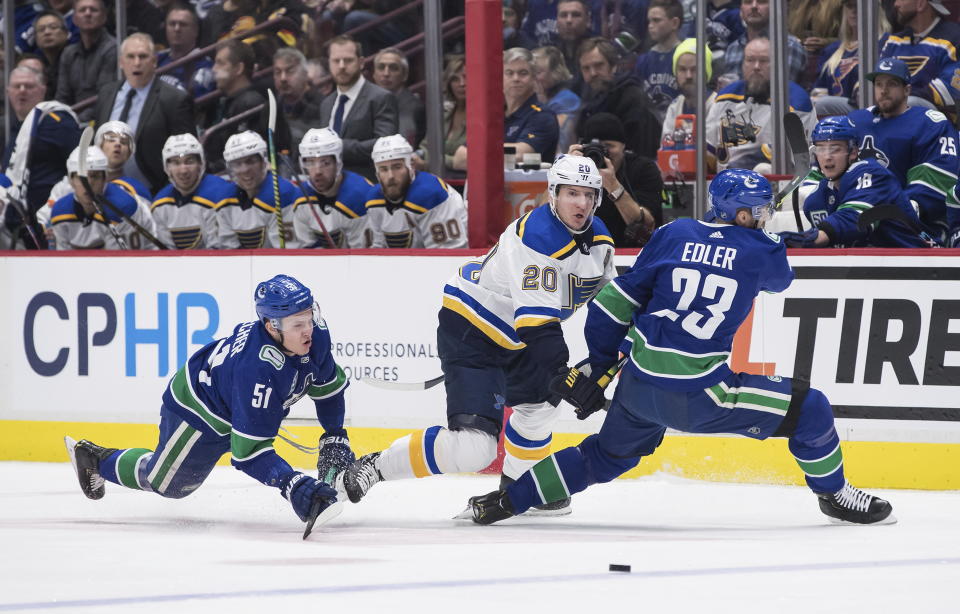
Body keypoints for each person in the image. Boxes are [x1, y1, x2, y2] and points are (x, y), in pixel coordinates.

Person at [464, 168, 896, 527]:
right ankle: (835, 495)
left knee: (602, 456)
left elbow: (611, 307)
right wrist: (777, 236)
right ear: (741, 215)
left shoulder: (674, 232)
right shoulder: (761, 250)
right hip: (701, 394)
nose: (764, 216)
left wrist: (599, 366)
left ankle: (505, 501)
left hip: (637, 387)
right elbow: (779, 281)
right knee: (812, 407)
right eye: (758, 211)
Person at [339, 155, 616, 515]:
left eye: (589, 195)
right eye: (571, 193)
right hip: (474, 329)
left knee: (540, 408)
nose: (581, 203)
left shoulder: (599, 239)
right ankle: (375, 466)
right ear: (553, 194)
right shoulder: (537, 236)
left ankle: (518, 487)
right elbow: (539, 328)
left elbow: (611, 302)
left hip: (518, 337)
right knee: (475, 448)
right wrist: (569, 377)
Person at [64, 275, 351, 533]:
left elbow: (326, 388)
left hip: (235, 402)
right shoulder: (256, 371)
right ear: (271, 326)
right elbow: (249, 454)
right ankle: (96, 459)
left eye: (309, 318)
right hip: (198, 410)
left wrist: (335, 434)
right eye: (297, 324)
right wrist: (291, 484)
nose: (308, 330)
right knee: (168, 484)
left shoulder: (315, 335)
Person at [848, 58, 960, 241]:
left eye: (892, 84)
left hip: (912, 225)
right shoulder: (855, 121)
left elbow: (939, 177)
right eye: (878, 84)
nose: (883, 91)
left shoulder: (929, 124)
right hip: (860, 217)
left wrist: (899, 207)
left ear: (907, 89)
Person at [780, 116, 931, 248]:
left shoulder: (873, 174)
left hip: (925, 265)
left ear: (853, 152)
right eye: (821, 149)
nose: (827, 157)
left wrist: (809, 239)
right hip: (873, 271)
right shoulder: (815, 202)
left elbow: (854, 220)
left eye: (835, 149)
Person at [93, 33, 196, 194]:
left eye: (143, 57)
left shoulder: (174, 99)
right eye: (130, 57)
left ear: (154, 61)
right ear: (121, 62)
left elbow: (188, 150)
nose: (136, 63)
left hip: (156, 191)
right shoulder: (106, 94)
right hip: (108, 189)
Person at [706, 37, 817, 172]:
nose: (756, 67)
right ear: (743, 64)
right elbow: (708, 151)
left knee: (762, 168)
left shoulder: (795, 101)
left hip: (776, 184)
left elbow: (791, 156)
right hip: (723, 184)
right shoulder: (725, 98)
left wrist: (740, 169)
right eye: (750, 60)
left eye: (764, 61)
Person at [1, 65, 81, 249]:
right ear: (8, 91)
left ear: (42, 90)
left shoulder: (58, 121)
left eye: (28, 86)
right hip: (18, 223)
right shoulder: (13, 128)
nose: (22, 91)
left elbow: (78, 167)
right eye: (17, 86)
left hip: (51, 221)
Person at [572, 112, 664, 247]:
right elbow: (546, 212)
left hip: (632, 253)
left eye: (609, 146)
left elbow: (647, 224)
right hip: (586, 252)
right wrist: (565, 170)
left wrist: (613, 186)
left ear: (623, 146)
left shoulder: (643, 169)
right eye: (595, 147)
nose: (603, 153)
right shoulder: (574, 168)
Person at [364, 135, 468, 249]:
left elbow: (446, 255)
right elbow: (378, 248)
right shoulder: (373, 199)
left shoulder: (431, 194)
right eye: (383, 169)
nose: (390, 176)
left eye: (397, 167)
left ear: (411, 166)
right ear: (377, 173)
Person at [319, 35, 399, 180]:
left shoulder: (380, 97)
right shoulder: (326, 104)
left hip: (367, 186)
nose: (342, 66)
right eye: (336, 61)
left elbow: (385, 144)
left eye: (348, 60)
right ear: (329, 64)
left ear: (361, 63)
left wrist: (338, 146)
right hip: (331, 188)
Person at [50, 145, 159, 250]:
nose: (89, 184)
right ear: (71, 181)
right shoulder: (60, 211)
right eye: (81, 177)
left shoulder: (123, 207)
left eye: (95, 176)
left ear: (105, 180)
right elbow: (64, 261)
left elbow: (122, 264)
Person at [576, 37, 662, 160]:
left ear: (614, 66)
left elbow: (641, 152)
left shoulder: (633, 98)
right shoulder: (588, 105)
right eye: (586, 68)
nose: (593, 73)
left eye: (599, 65)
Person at [218, 130, 303, 249]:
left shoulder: (281, 193)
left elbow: (287, 256)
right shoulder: (226, 199)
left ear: (263, 161)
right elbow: (229, 251)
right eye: (237, 164)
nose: (244, 170)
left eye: (250, 161)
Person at [293, 128, 373, 248]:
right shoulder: (302, 197)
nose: (317, 171)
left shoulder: (360, 195)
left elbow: (362, 259)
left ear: (338, 162)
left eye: (325, 163)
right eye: (310, 162)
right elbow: (308, 250)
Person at [878, 0, 960, 117]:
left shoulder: (954, 38)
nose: (896, 4)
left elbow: (948, 88)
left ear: (920, 4)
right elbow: (878, 80)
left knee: (908, 104)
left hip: (936, 119)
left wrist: (899, 97)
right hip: (894, 103)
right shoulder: (893, 41)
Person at [151, 133, 234, 249]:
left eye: (189, 161)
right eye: (176, 163)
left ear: (201, 164)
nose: (183, 170)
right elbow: (166, 255)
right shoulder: (160, 204)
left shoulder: (222, 194)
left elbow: (221, 252)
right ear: (167, 167)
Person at [203, 39, 265, 174]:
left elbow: (244, 157)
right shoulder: (223, 101)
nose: (214, 69)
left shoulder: (250, 103)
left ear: (238, 69)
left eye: (220, 63)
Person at [55, 0, 116, 120]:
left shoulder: (113, 49)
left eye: (93, 10)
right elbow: (62, 97)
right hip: (73, 121)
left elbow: (105, 97)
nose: (88, 13)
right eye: (82, 10)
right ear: (74, 19)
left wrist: (73, 121)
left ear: (104, 17)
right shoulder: (68, 53)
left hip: (103, 120)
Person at [722, 0, 807, 83]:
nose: (754, 6)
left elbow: (786, 92)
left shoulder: (788, 46)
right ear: (741, 10)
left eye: (762, 1)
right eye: (748, 2)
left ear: (775, 8)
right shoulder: (733, 48)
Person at [633, 0, 685, 122]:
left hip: (679, 123)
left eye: (656, 20)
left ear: (674, 23)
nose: (650, 25)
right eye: (649, 21)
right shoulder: (644, 60)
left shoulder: (686, 57)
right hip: (650, 126)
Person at [661, 38, 716, 147]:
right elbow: (665, 150)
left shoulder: (718, 106)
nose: (688, 76)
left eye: (695, 70)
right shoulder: (674, 107)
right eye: (682, 69)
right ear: (675, 72)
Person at [156, 3, 216, 99]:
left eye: (183, 24)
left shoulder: (205, 66)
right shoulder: (157, 59)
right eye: (172, 24)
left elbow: (191, 105)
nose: (177, 29)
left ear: (196, 30)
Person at [372, 47, 426, 152]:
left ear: (405, 75)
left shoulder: (416, 108)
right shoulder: (363, 103)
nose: (386, 73)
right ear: (374, 74)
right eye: (381, 67)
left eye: (393, 68)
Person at [533, 46, 582, 155]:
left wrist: (539, 102)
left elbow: (557, 141)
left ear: (555, 72)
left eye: (538, 72)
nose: (533, 77)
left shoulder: (567, 100)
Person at [272, 47, 324, 147]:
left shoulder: (322, 105)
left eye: (290, 71)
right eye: (278, 72)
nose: (283, 78)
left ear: (305, 74)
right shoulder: (273, 107)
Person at [94, 121, 154, 203]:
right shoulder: (81, 183)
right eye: (111, 140)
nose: (118, 144)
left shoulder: (137, 191)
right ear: (99, 146)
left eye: (124, 142)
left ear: (130, 153)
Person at [32, 10, 70, 100]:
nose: (47, 32)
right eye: (41, 29)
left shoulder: (74, 59)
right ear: (36, 39)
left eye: (53, 27)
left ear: (66, 33)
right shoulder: (39, 65)